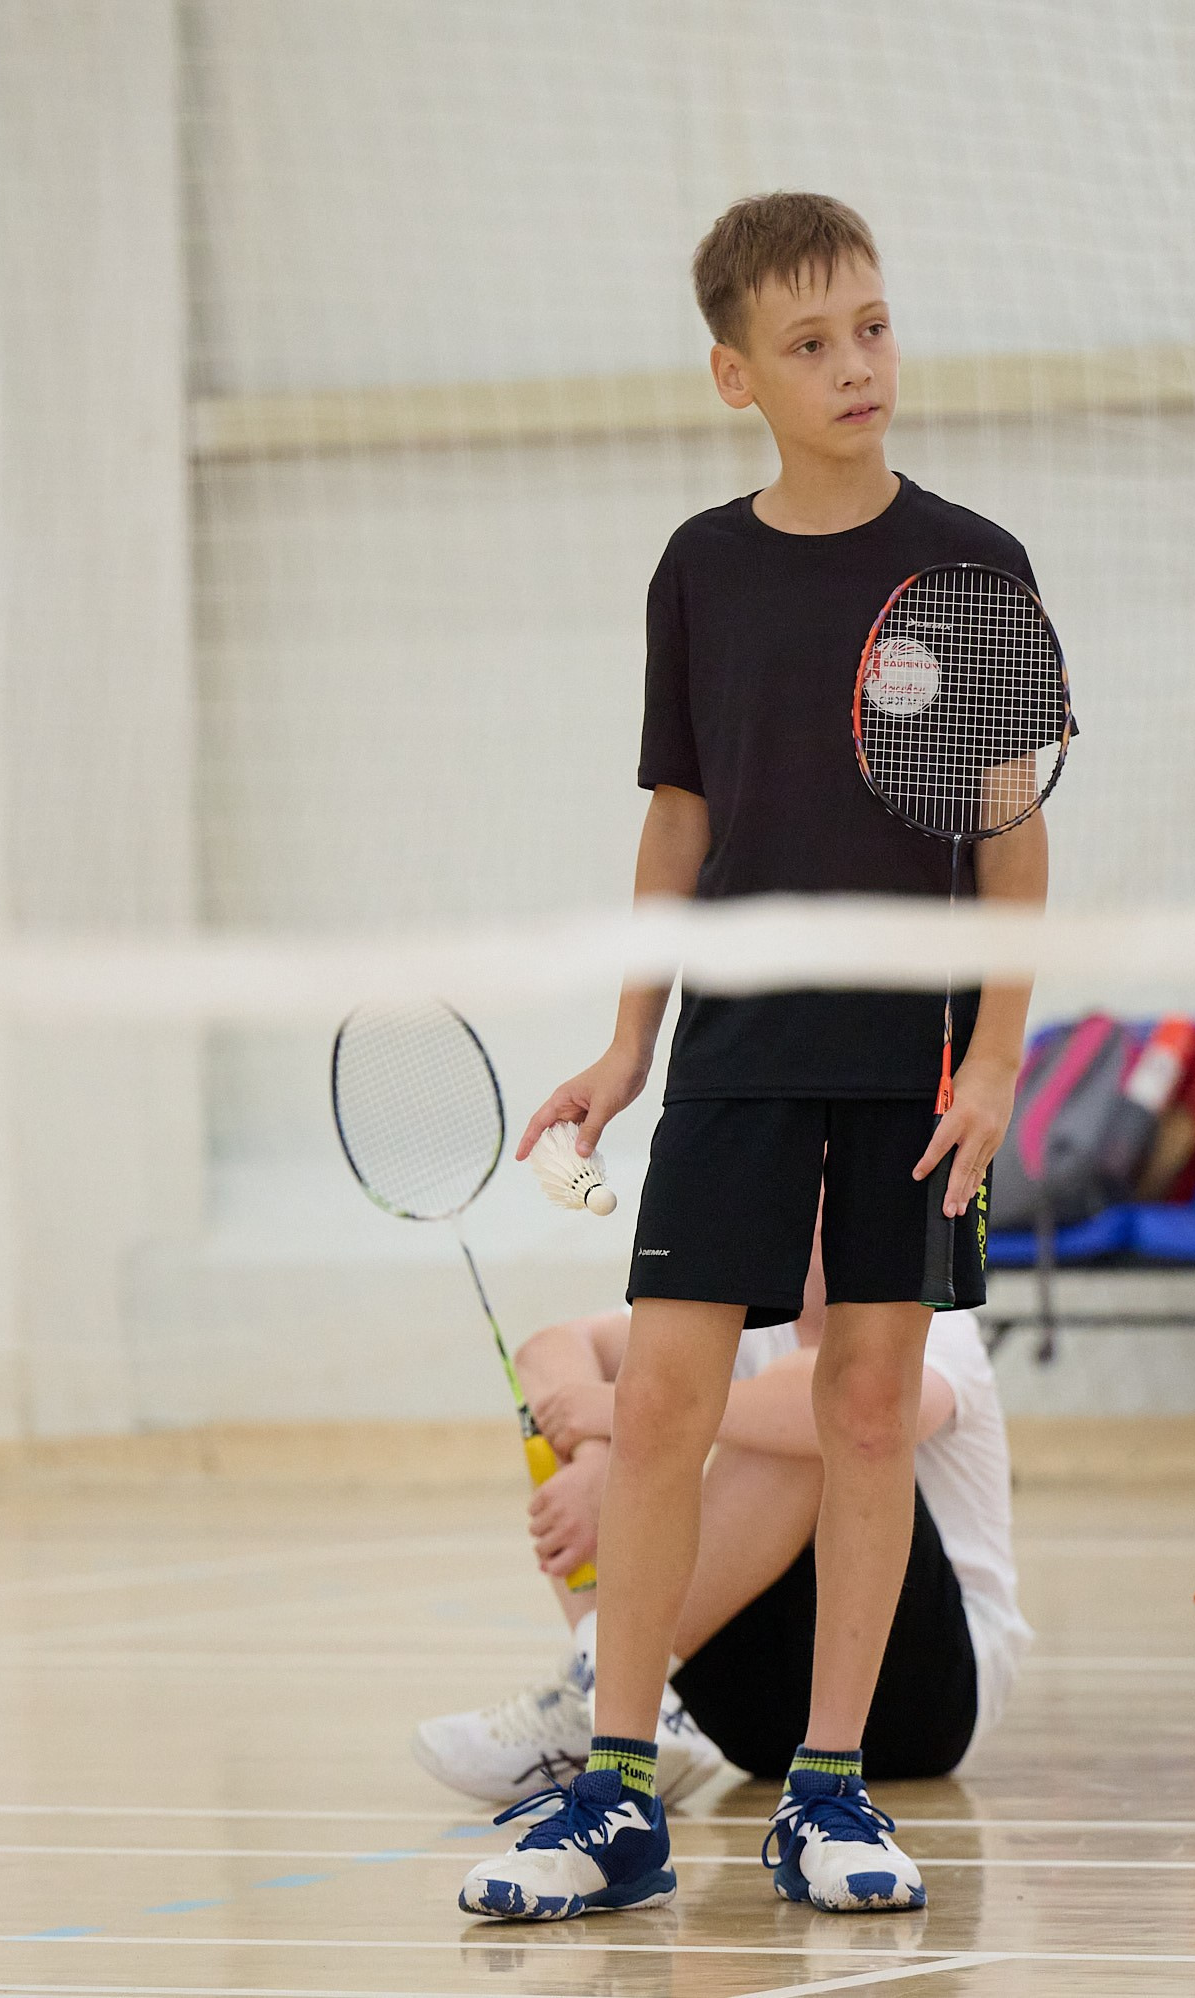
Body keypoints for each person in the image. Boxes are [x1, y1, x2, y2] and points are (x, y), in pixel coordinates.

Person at [459, 190, 1049, 1921]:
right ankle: (620, 1791)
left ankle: (834, 1792)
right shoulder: (701, 570)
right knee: (663, 1409)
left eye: (871, 323)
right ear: (737, 372)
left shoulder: (973, 564)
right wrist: (630, 1039)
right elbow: (681, 817)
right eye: (810, 341)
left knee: (869, 1409)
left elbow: (1013, 846)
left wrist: (998, 1066)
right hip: (732, 1050)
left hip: (915, 1055)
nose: (856, 362)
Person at [413, 1245, 1029, 1806]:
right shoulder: (736, 1320)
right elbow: (547, 1352)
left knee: (817, 1412)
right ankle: (613, 1689)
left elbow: (882, 1418)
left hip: (925, 1699)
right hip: (743, 1722)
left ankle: (604, 1681)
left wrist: (631, 1414)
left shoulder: (933, 1318)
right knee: (582, 1428)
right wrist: (602, 1456)